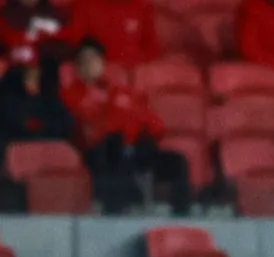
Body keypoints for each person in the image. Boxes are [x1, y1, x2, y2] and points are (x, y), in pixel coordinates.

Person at [62, 38, 191, 216]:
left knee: (178, 162)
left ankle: (182, 215)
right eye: (85, 59)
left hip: (135, 147)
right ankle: (119, 211)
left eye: (95, 59)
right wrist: (119, 122)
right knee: (115, 145)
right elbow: (87, 129)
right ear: (77, 66)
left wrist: (143, 133)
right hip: (100, 151)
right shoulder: (71, 95)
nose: (91, 64)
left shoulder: (122, 92)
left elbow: (153, 123)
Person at [0, 44, 74, 148]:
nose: (28, 75)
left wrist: (41, 127)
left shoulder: (49, 98)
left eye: (32, 69)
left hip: (46, 151)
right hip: (15, 151)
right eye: (23, 71)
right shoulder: (6, 101)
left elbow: (65, 123)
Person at [68, 0, 160, 68]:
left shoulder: (142, 6)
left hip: (135, 75)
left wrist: (137, 67)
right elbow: (76, 42)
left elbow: (152, 49)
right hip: (100, 73)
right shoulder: (84, 4)